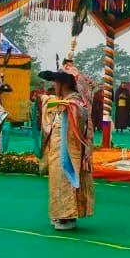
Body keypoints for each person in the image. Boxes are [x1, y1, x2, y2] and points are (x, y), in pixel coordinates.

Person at [38, 60, 94, 231]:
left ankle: (67, 215)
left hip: (68, 149)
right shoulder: (60, 100)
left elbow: (83, 115)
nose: (54, 86)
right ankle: (58, 213)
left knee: (65, 177)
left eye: (56, 82)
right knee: (56, 178)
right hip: (56, 147)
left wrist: (69, 107)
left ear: (63, 84)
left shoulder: (75, 102)